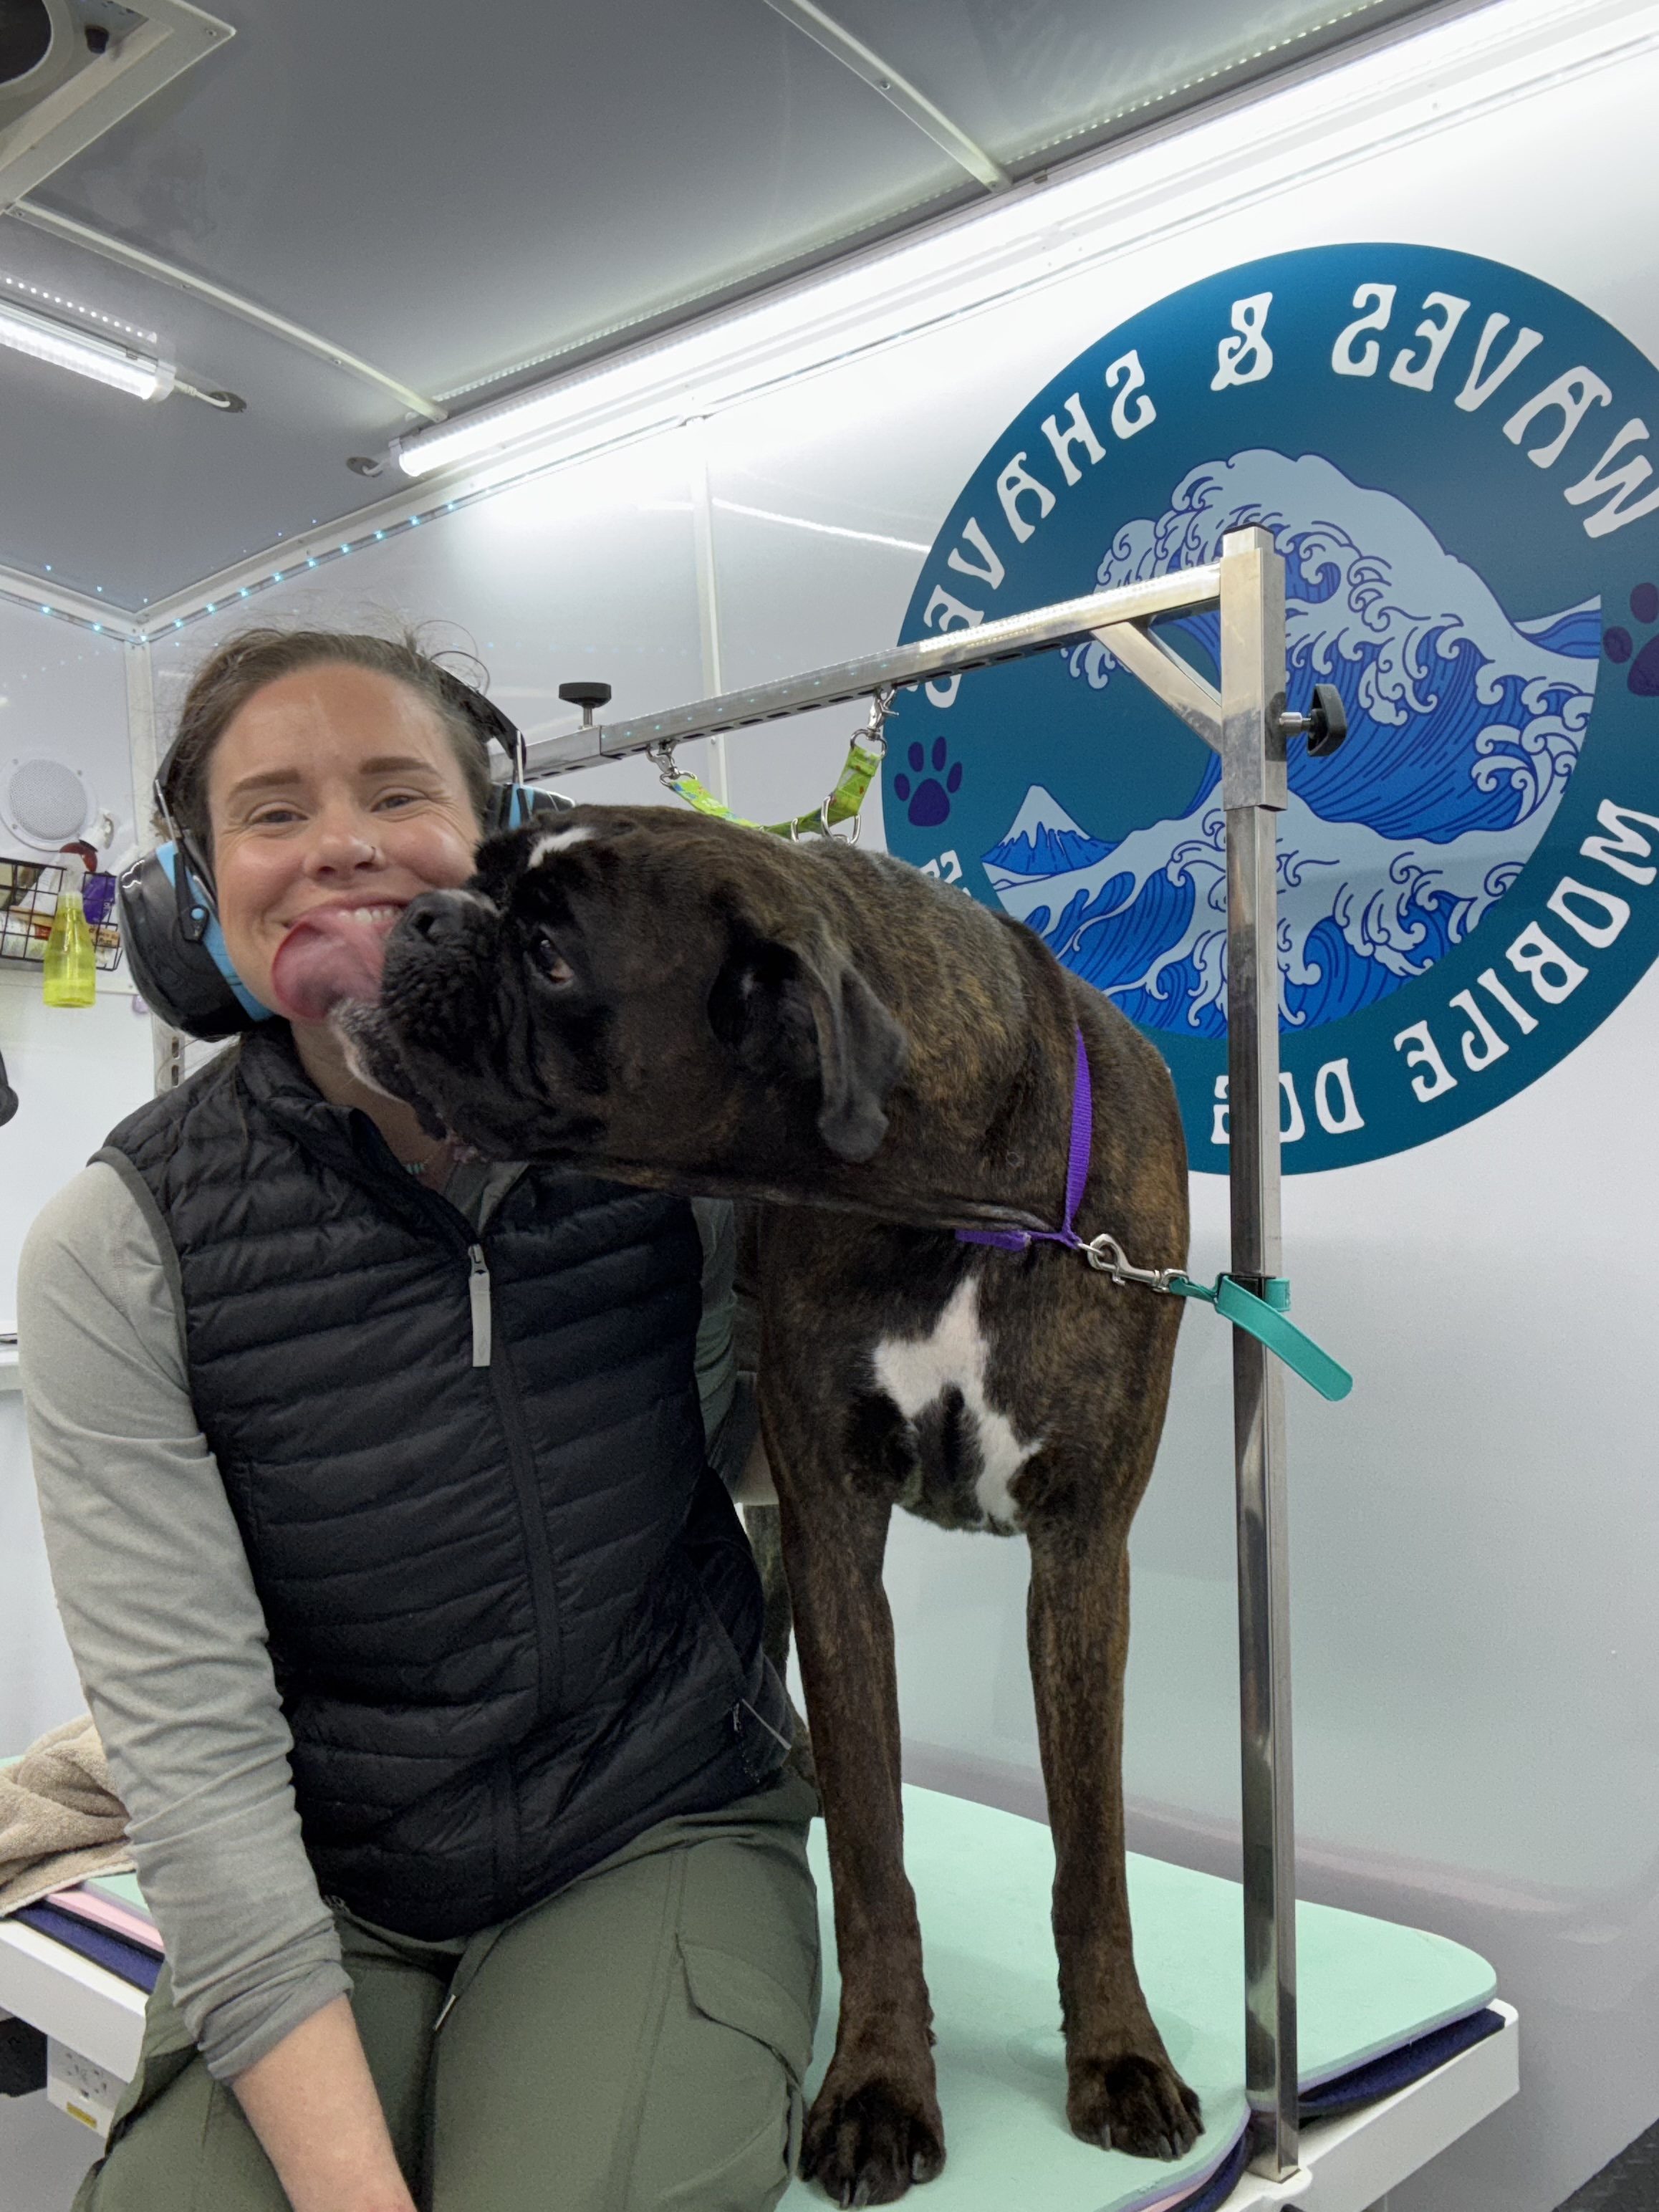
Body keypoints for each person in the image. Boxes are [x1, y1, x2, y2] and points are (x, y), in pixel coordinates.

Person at [18, 629, 817, 2212]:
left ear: (505, 842)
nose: (342, 845)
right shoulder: (118, 1252)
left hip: (649, 1811)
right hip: (327, 1867)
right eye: (273, 812)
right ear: (198, 895)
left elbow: (766, 1449)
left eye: (398, 792)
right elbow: (199, 1767)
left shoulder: (671, 1145)